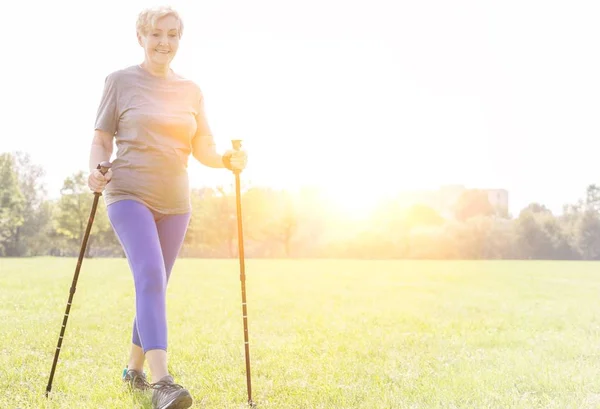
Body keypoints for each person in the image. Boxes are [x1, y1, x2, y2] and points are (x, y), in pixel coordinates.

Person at [86, 6, 247, 409]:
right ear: (140, 36)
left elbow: (203, 147)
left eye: (173, 35)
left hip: (176, 202)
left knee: (153, 286)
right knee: (151, 277)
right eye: (157, 34)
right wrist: (94, 170)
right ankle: (163, 383)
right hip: (128, 193)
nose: (165, 42)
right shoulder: (120, 81)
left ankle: (133, 371)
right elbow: (102, 139)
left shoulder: (191, 90)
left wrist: (227, 159)